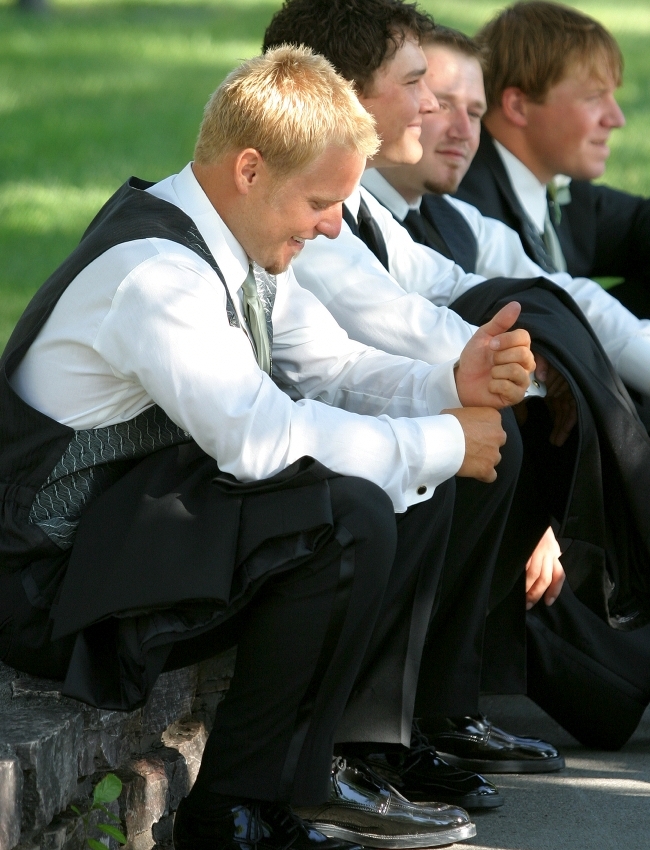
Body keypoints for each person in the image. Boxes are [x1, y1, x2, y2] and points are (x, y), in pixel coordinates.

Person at [0, 47, 540, 850]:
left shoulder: (240, 248)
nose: (332, 225)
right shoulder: (157, 276)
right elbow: (258, 438)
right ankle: (237, 811)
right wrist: (437, 440)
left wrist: (447, 380)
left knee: (402, 487)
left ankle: (344, 757)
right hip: (48, 585)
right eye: (322, 201)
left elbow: (333, 367)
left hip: (130, 533)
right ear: (249, 169)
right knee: (345, 515)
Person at [262, 0, 650, 756]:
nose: (445, 116)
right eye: (423, 89)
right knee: (522, 389)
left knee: (547, 337)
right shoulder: (320, 215)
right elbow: (387, 330)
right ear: (349, 98)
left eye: (466, 104)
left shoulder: (406, 218)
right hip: (318, 459)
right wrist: (537, 378)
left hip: (412, 434)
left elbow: (556, 287)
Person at [457, 0, 650, 508]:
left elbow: (646, 221)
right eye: (594, 97)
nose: (614, 118)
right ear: (517, 106)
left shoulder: (556, 187)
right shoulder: (465, 199)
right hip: (511, 444)